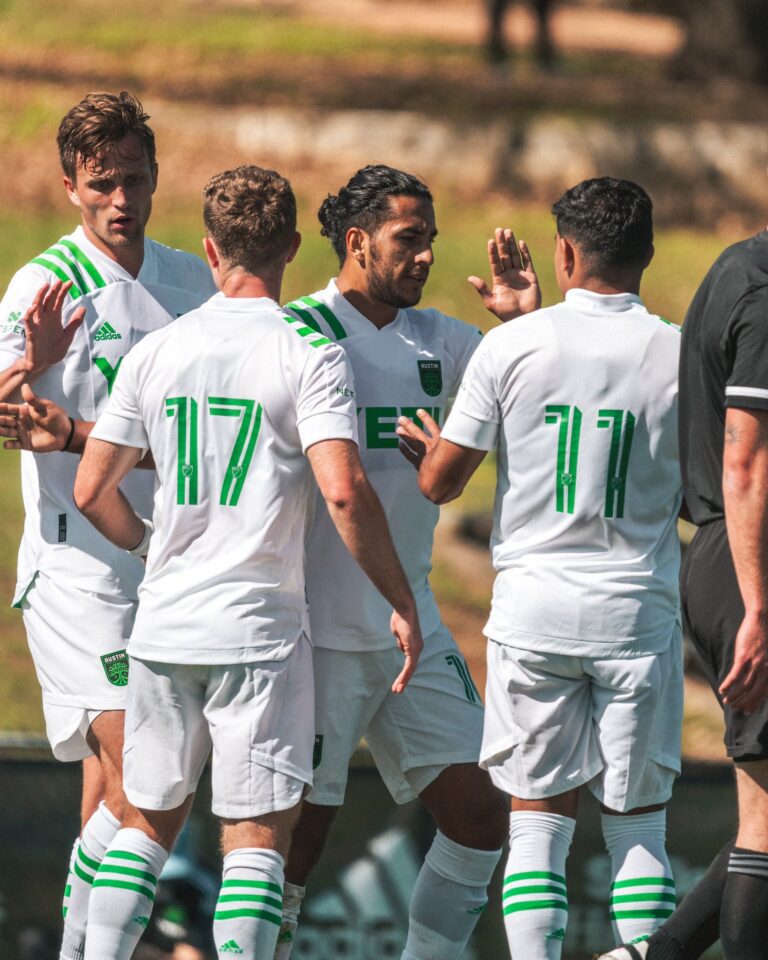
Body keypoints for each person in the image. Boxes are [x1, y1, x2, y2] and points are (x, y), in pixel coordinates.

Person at [71, 164, 422, 960]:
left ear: (208, 249)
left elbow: (94, 487)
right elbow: (343, 491)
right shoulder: (306, 353)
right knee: (257, 836)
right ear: (293, 248)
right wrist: (399, 599)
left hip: (164, 626)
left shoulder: (159, 350)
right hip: (257, 634)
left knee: (144, 823)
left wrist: (150, 546)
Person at [397, 177, 684, 960]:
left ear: (563, 253)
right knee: (638, 825)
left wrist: (431, 459)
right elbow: (700, 496)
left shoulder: (511, 346)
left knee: (537, 825)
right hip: (636, 613)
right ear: (648, 254)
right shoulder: (681, 354)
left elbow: (443, 481)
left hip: (535, 614)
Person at [274, 163, 540, 960]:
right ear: (357, 243)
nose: (426, 255)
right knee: (292, 844)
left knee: (481, 816)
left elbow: (540, 397)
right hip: (316, 628)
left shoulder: (448, 343)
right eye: (408, 239)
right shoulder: (295, 333)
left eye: (429, 238)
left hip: (410, 625)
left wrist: (524, 324)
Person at [0, 90, 216, 960]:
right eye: (102, 183)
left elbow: (206, 424)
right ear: (69, 187)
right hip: (78, 574)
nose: (121, 199)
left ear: (156, 175)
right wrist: (33, 364)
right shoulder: (40, 284)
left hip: (165, 569)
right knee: (147, 779)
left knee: (118, 806)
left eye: (134, 178)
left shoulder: (190, 281)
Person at [597, 209, 768, 960]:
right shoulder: (764, 289)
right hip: (750, 567)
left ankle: (651, 956)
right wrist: (759, 605)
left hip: (725, 558)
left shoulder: (736, 264)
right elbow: (746, 462)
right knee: (763, 823)